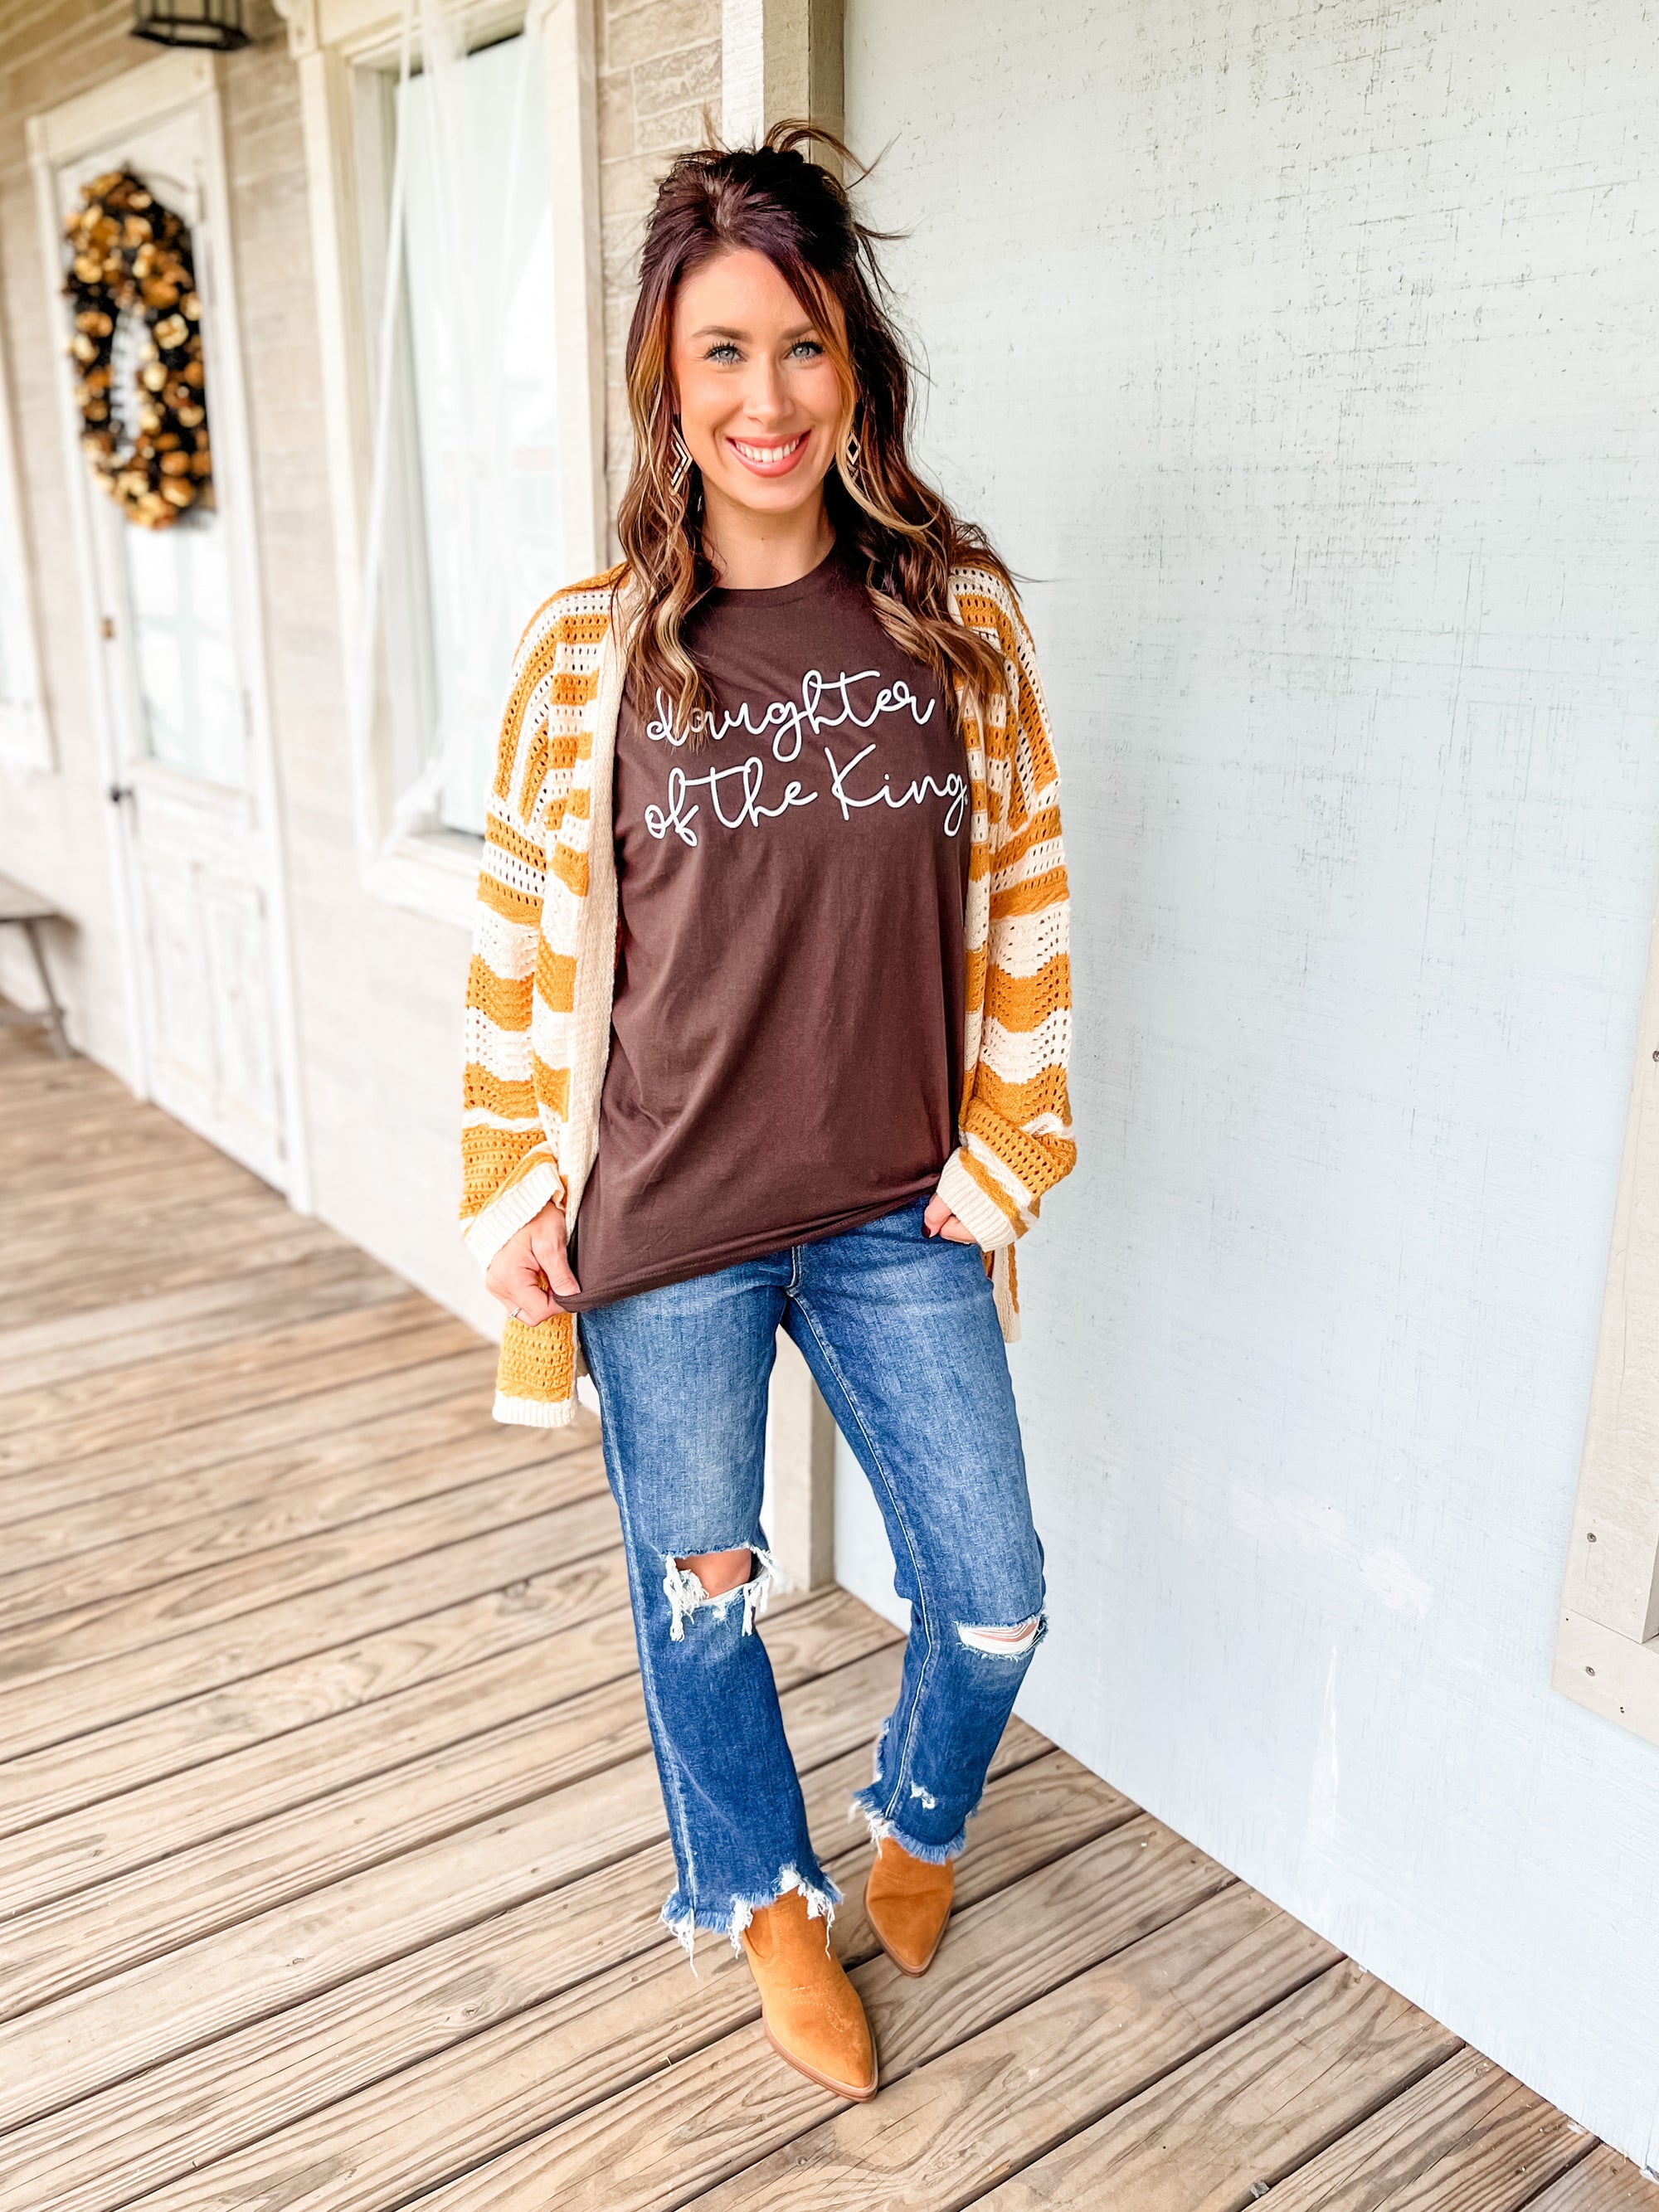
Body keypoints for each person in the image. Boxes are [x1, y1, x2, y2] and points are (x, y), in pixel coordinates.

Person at [459, 124, 1076, 2105]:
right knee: (701, 1596)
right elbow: (515, 935)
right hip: (668, 1225)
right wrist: (515, 1182)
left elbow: (1029, 900)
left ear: (851, 364)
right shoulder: (589, 653)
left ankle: (918, 1810)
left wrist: (1009, 1148)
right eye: (721, 350)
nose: (766, 396)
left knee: (993, 1589)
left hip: (902, 1207)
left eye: (801, 344)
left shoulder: (953, 622)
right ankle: (764, 1896)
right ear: (667, 376)